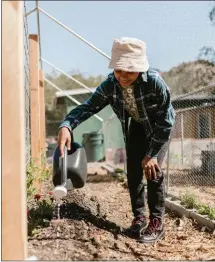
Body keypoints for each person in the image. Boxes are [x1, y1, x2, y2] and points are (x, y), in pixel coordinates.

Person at [57, 37, 175, 244]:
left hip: (159, 127)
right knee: (134, 172)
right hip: (138, 125)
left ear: (140, 68)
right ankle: (139, 219)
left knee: (153, 171)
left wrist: (152, 154)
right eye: (119, 70)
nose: (123, 76)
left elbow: (167, 119)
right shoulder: (110, 85)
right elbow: (88, 107)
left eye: (129, 71)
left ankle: (157, 223)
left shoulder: (155, 82)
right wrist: (67, 125)